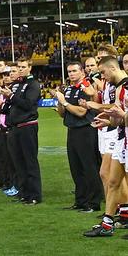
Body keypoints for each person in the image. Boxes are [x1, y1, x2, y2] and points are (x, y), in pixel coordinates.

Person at [83, 56, 128, 237]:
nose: (102, 76)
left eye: (103, 72)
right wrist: (107, 120)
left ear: (112, 68)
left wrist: (121, 116)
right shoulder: (120, 88)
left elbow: (124, 116)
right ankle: (107, 224)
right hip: (121, 138)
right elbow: (120, 118)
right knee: (112, 181)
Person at [52, 62, 103, 213]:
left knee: (89, 167)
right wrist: (60, 103)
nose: (71, 74)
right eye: (69, 71)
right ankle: (80, 201)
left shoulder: (86, 87)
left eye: (74, 71)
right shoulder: (69, 88)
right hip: (72, 130)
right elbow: (63, 114)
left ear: (82, 72)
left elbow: (81, 112)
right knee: (75, 167)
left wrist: (64, 102)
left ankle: (94, 203)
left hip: (86, 131)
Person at [0, 57, 42, 205]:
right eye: (19, 66)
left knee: (29, 161)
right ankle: (24, 193)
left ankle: (35, 195)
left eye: (24, 66)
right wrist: (2, 104)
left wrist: (10, 96)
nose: (21, 69)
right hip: (15, 127)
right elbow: (9, 106)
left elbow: (28, 104)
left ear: (30, 68)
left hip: (27, 126)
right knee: (18, 162)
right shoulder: (17, 85)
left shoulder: (34, 84)